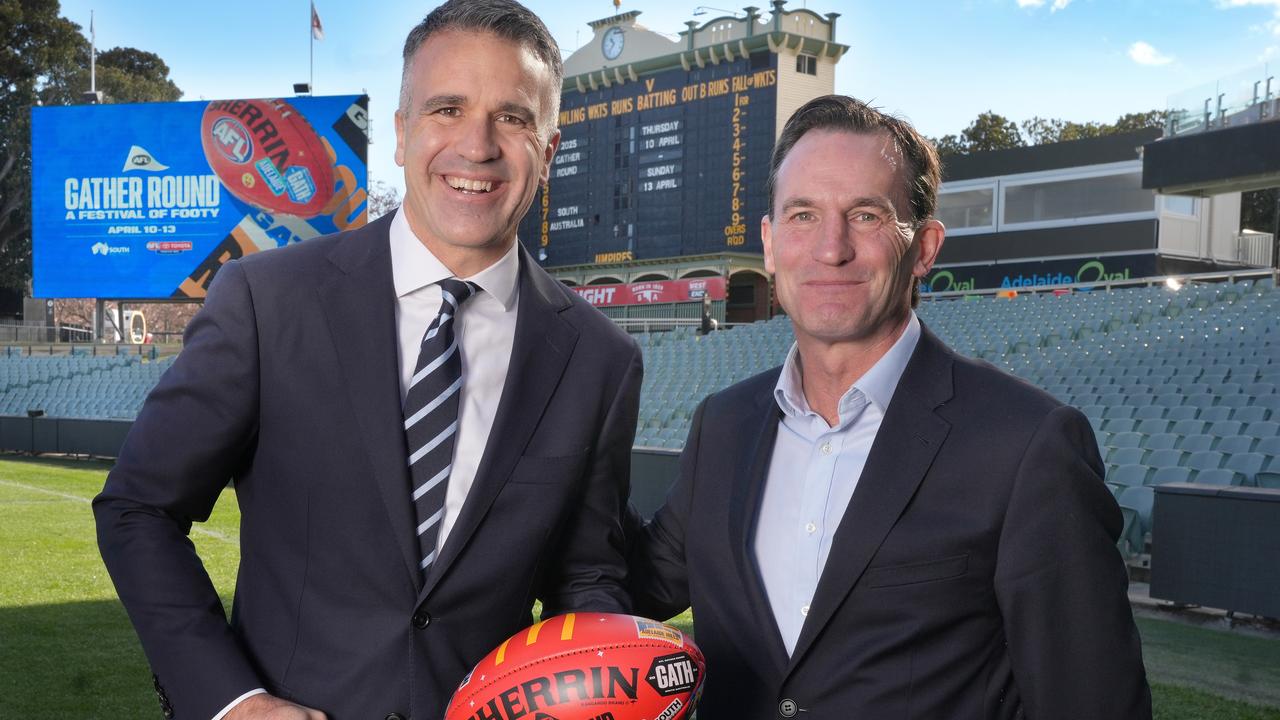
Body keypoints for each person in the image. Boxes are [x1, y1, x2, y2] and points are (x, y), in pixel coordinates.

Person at [94, 2, 642, 719]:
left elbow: (586, 574)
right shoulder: (268, 299)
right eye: (447, 108)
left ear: (549, 147)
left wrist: (605, 683)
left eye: (511, 118)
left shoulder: (600, 360)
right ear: (401, 132)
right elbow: (139, 509)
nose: (475, 146)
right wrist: (234, 702)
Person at [628, 95, 1151, 719]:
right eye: (801, 215)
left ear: (924, 247)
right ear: (769, 244)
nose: (830, 248)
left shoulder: (1026, 445)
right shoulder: (724, 425)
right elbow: (634, 587)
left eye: (867, 215)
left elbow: (1093, 704)